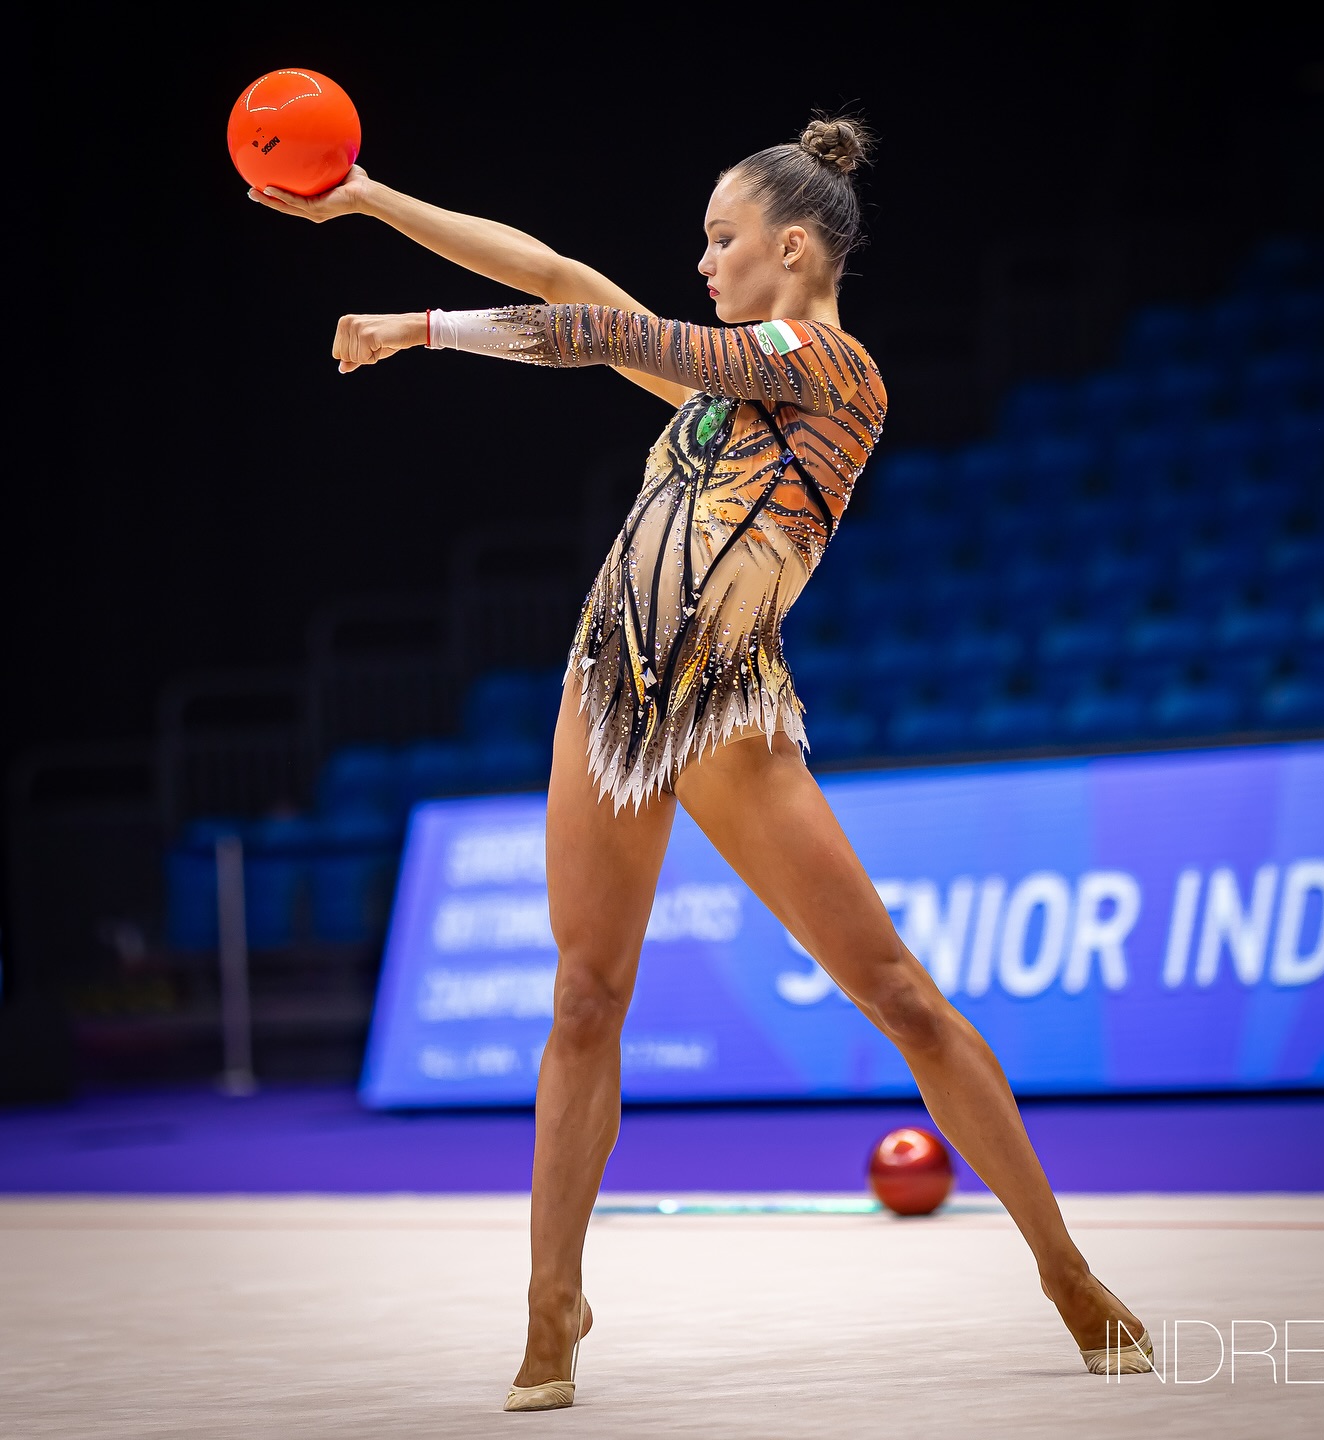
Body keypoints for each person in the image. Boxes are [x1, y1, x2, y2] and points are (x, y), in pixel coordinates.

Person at [252, 114, 1152, 1410]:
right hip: (606, 684)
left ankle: (1065, 1271)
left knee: (897, 992)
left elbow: (610, 329)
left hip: (726, 704)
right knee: (582, 1000)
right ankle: (551, 1307)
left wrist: (424, 329)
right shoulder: (724, 387)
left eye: (723, 239)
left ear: (793, 247)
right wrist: (369, 200)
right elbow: (565, 284)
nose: (704, 261)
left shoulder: (830, 368)